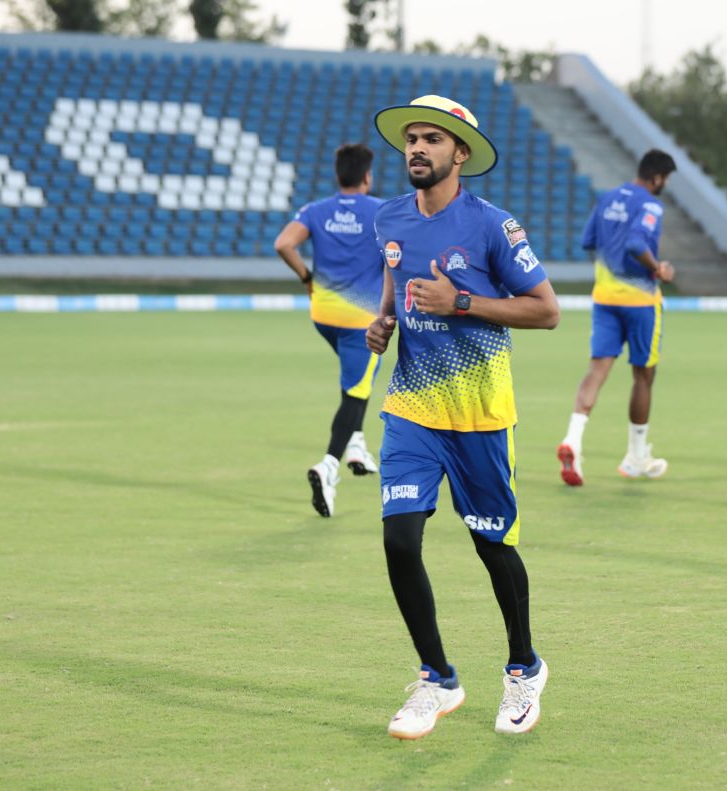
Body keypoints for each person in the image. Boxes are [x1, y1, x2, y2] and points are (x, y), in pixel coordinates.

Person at [368, 95, 560, 739]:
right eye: (411, 139)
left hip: (480, 416)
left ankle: (524, 668)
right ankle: (437, 677)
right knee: (399, 539)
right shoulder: (388, 218)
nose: (417, 148)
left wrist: (464, 301)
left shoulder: (492, 227)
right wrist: (386, 316)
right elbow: (397, 274)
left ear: (462, 154)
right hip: (412, 409)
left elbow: (545, 310)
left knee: (491, 545)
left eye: (432, 140)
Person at [273, 143, 384, 518]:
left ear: (339, 176)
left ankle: (356, 444)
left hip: (323, 315)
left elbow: (284, 244)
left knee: (360, 375)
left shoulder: (316, 210)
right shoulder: (380, 211)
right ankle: (330, 466)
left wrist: (305, 276)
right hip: (361, 319)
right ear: (367, 176)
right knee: (357, 389)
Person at [556, 149, 677, 486]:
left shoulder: (607, 198)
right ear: (657, 177)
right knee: (643, 376)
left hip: (604, 298)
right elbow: (636, 242)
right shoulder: (651, 204)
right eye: (666, 180)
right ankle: (636, 456)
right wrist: (658, 269)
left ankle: (573, 441)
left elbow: (588, 241)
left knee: (597, 369)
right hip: (640, 303)